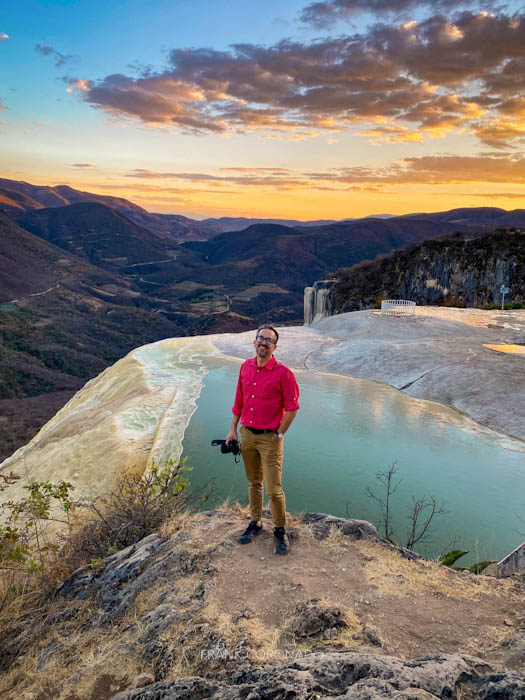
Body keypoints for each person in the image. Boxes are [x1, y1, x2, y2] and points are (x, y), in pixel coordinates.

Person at [225, 325, 300, 555]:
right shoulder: (245, 367)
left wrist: (279, 434)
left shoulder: (284, 373)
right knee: (253, 483)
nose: (263, 343)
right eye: (260, 338)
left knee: (274, 489)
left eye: (269, 340)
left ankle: (279, 529)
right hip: (247, 434)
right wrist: (233, 429)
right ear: (254, 342)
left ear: (274, 346)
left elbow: (292, 408)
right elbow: (239, 400)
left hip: (270, 438)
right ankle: (255, 522)